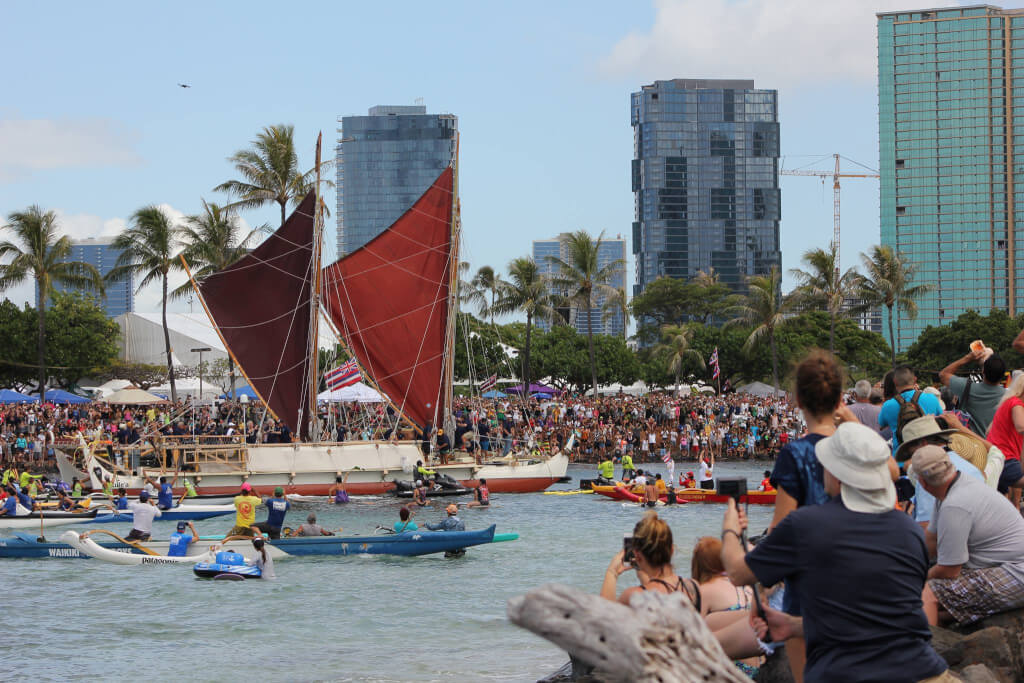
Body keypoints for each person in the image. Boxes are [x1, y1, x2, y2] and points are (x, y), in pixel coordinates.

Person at [722, 422, 949, 683]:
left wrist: (730, 528)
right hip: (925, 672)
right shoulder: (910, 531)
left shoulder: (805, 525)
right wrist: (793, 626)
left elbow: (738, 573)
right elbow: (875, 619)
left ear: (837, 476)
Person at [601, 511, 764, 668]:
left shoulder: (633, 595)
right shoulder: (691, 587)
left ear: (637, 555)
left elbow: (603, 628)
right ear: (672, 550)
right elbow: (662, 590)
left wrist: (612, 573)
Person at [914, 446, 1024, 626]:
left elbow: (949, 571)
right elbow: (930, 542)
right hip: (1007, 566)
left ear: (922, 482)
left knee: (927, 592)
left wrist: (917, 578)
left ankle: (925, 650)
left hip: (1016, 573)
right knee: (932, 610)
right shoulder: (959, 484)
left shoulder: (954, 505)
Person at [894, 416, 985, 528]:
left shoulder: (931, 473)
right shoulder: (968, 466)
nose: (912, 458)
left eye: (911, 453)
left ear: (923, 444)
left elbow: (926, 525)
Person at [691, 537, 761, 678]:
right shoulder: (747, 586)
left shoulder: (704, 590)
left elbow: (691, 635)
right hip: (760, 663)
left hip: (734, 668)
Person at [939, 347, 1006, 434]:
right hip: (998, 446)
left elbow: (943, 375)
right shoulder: (1011, 396)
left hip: (974, 445)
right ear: (1003, 374)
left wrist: (968, 358)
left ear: (983, 371)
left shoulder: (968, 388)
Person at [878, 366, 943, 453]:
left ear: (895, 382)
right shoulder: (931, 398)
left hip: (901, 457)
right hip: (930, 454)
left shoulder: (887, 405)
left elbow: (881, 425)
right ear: (915, 379)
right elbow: (941, 418)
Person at [984, 373, 1024, 496]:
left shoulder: (1007, 403)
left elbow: (988, 431)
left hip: (995, 459)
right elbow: (1021, 427)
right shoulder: (1016, 403)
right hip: (1005, 459)